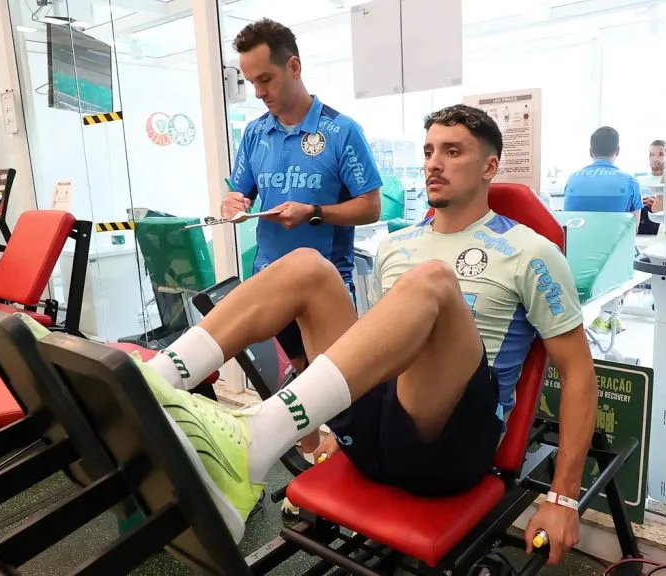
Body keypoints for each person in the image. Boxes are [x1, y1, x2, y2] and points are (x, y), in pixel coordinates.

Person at [139, 104, 597, 565]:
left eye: (452, 151)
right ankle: (154, 382)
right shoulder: (395, 246)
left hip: (452, 447)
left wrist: (563, 498)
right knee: (307, 265)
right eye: (429, 151)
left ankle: (258, 435)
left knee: (431, 281)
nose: (434, 163)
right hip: (376, 432)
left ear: (489, 167)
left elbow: (578, 372)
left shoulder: (531, 251)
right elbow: (378, 345)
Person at [222, 18, 382, 377]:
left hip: (325, 285)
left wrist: (313, 212)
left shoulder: (342, 132)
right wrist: (230, 203)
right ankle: (304, 437)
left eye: (266, 79)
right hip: (268, 281)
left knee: (329, 389)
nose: (259, 92)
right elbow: (237, 191)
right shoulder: (255, 133)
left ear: (293, 67)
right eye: (251, 83)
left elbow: (371, 208)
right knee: (295, 376)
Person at [563, 126, 642, 226]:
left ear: (590, 152)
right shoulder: (630, 182)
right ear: (617, 151)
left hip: (575, 241)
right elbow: (633, 230)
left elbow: (567, 224)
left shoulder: (572, 179)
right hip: (614, 241)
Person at [640, 140, 666, 235]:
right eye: (652, 154)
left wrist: (658, 202)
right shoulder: (638, 180)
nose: (655, 158)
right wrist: (639, 202)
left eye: (660, 154)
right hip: (641, 221)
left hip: (661, 223)